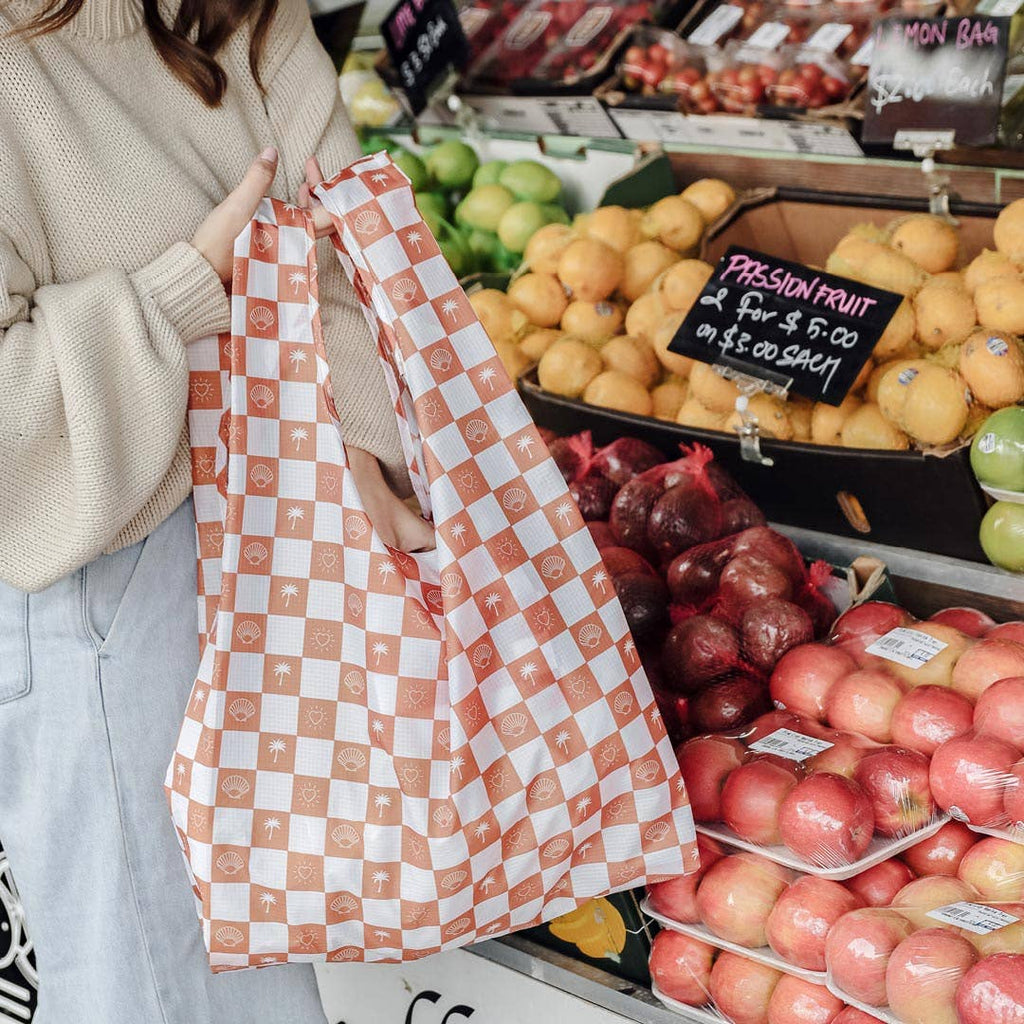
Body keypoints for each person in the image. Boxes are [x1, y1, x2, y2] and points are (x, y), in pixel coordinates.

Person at [0, 0, 433, 1019]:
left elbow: (352, 263)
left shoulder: (252, 19)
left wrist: (360, 444)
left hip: (303, 553)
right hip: (110, 582)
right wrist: (188, 292)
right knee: (163, 987)